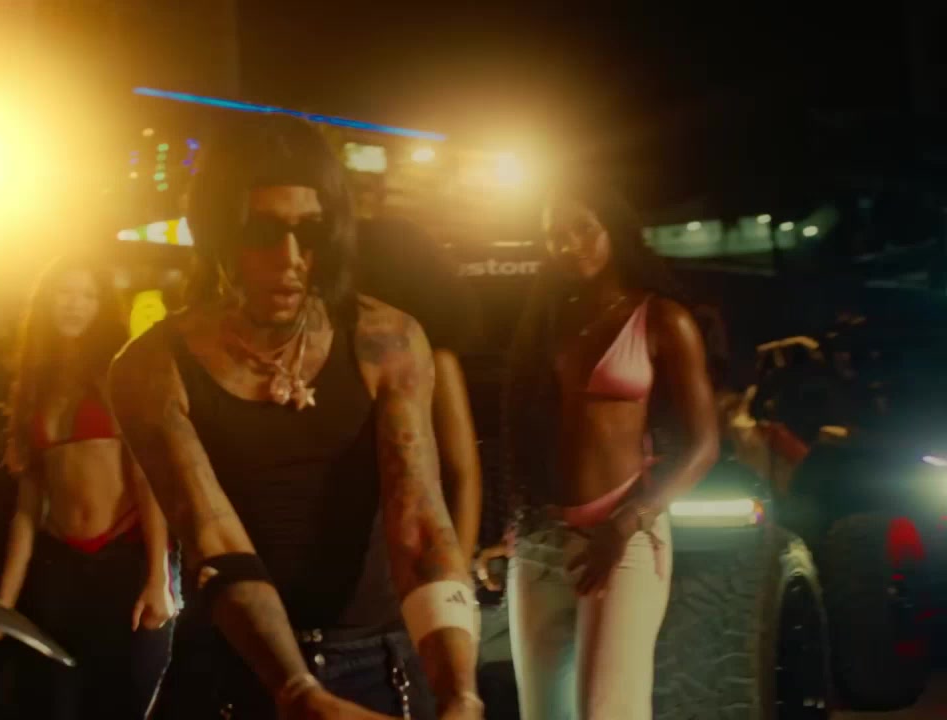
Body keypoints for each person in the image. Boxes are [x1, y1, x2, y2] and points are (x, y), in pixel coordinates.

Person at [110, 115, 482, 720]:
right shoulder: (152, 366)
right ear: (218, 231)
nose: (289, 259)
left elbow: (419, 523)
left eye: (309, 231)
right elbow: (214, 539)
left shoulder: (386, 339)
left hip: (378, 662)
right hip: (231, 670)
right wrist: (297, 690)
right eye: (262, 231)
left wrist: (461, 691)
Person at [499, 178, 719, 720]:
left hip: (622, 535)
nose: (569, 244)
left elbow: (704, 444)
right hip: (540, 538)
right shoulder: (548, 320)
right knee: (542, 714)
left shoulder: (662, 319)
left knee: (607, 711)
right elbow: (521, 427)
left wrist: (631, 519)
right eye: (554, 235)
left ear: (613, 230)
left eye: (583, 229)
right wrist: (508, 519)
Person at [0, 255, 174, 720]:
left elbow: (148, 479)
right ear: (46, 302)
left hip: (124, 559)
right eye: (65, 293)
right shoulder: (35, 383)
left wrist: (159, 578)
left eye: (88, 295)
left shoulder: (119, 373)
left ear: (102, 306)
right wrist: (4, 601)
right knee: (56, 706)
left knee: (122, 705)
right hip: (60, 565)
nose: (75, 304)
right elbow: (27, 507)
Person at [355, 216, 484, 564]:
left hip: (411, 556)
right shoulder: (340, 359)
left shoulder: (434, 360)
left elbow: (463, 475)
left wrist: (457, 575)